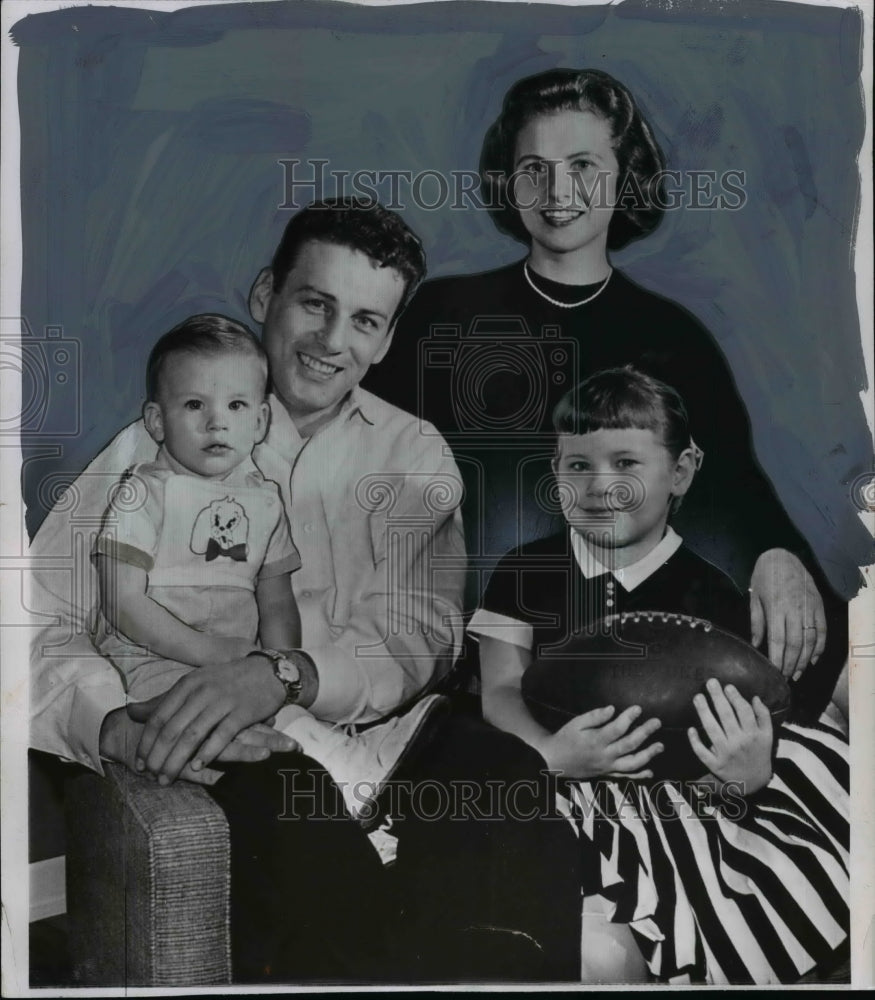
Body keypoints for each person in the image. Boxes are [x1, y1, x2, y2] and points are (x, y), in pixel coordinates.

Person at [30, 199, 582, 982]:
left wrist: (285, 674)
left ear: (386, 339)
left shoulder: (410, 451)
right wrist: (113, 722)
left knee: (504, 779)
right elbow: (35, 625)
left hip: (377, 726)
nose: (330, 342)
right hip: (231, 735)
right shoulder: (154, 449)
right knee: (300, 825)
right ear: (265, 297)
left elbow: (419, 634)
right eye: (314, 304)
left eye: (363, 321)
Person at [364, 67, 846, 719]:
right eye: (533, 167)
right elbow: (361, 446)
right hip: (458, 636)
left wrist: (775, 553)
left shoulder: (672, 335)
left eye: (583, 165)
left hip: (622, 635)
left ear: (624, 178)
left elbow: (735, 481)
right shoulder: (443, 314)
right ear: (508, 181)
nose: (557, 191)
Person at [470, 367, 849, 985]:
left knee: (725, 871)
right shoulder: (524, 570)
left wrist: (746, 775)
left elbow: (734, 724)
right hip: (560, 777)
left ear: (680, 471)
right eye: (578, 466)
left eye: (626, 463)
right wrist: (549, 754)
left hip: (685, 794)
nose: (601, 487)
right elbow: (502, 688)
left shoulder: (716, 594)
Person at [92, 313, 446, 825]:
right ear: (156, 420)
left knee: (279, 714)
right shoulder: (143, 493)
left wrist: (276, 665)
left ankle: (357, 793)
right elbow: (121, 600)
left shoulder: (262, 502)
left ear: (259, 422)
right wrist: (210, 653)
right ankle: (355, 772)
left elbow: (275, 598)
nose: (217, 422)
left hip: (233, 665)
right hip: (150, 662)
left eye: (236, 406)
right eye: (194, 405)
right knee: (230, 724)